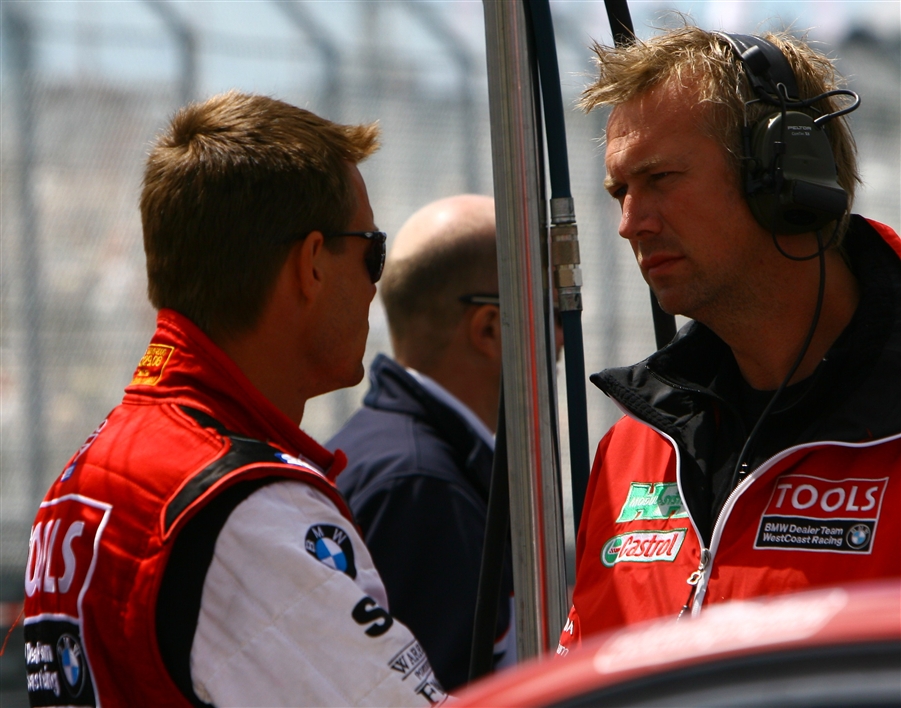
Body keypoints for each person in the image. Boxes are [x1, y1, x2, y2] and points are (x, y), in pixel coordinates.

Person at [23, 91, 446, 707]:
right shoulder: (249, 514)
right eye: (371, 252)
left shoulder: (91, 469)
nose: (372, 287)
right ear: (311, 265)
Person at [558, 26, 901, 653]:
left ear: (785, 174)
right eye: (620, 191)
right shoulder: (632, 453)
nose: (630, 224)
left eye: (660, 178)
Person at [328, 195, 517, 691]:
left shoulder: (386, 451)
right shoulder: (425, 490)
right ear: (489, 328)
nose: (560, 337)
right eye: (552, 312)